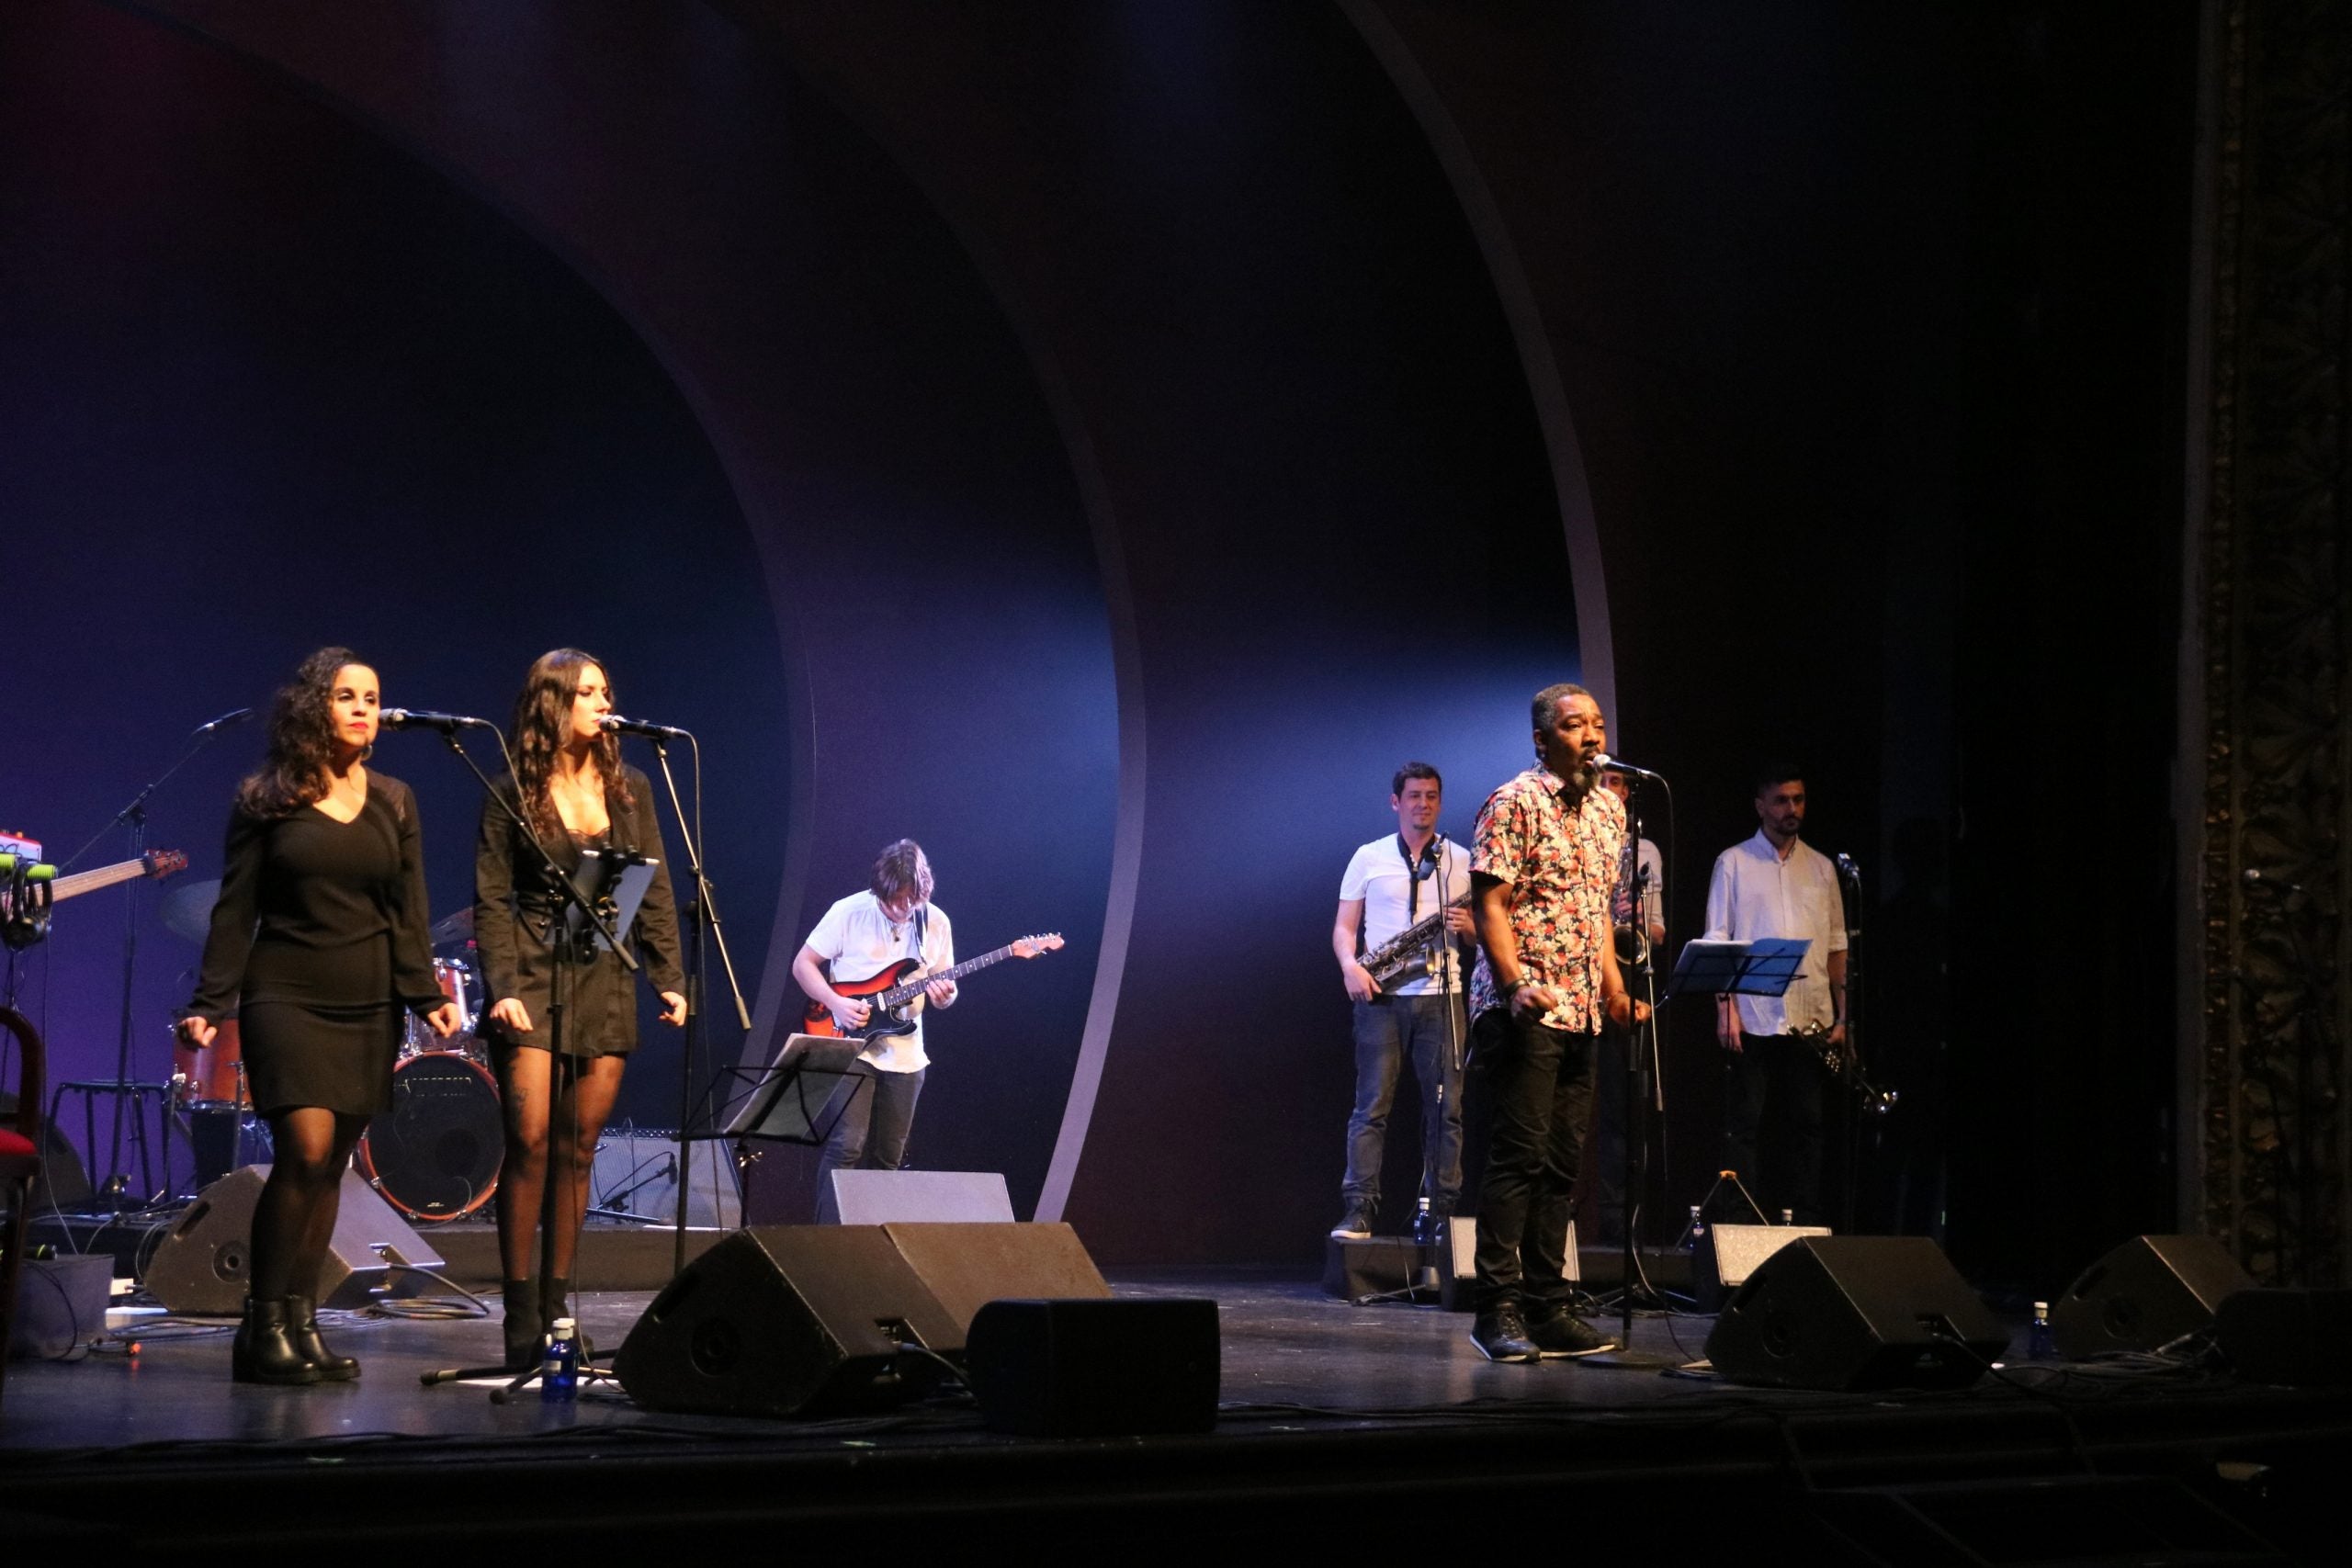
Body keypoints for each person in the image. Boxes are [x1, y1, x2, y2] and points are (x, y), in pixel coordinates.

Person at [181, 648, 461, 1384]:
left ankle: (301, 1323)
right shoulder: (266, 798)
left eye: (373, 696)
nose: (365, 707)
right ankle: (261, 1323)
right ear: (315, 708)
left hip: (367, 998)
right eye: (347, 695)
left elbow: (408, 911)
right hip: (287, 993)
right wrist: (212, 1002)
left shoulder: (396, 799)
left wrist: (425, 994)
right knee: (303, 1150)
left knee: (333, 1164)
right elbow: (235, 910)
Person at [474, 649, 686, 1370]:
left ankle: (559, 1306)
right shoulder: (510, 789)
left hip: (603, 974)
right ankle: (518, 1307)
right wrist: (501, 983)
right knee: (529, 1138)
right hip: (532, 975)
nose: (602, 701)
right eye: (586, 692)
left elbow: (651, 890)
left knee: (577, 1147)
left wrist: (670, 976)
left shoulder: (631, 790)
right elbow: (492, 898)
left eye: (605, 690)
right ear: (553, 704)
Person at [1463, 682, 1649, 1363]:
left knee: (1562, 1164)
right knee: (1518, 1156)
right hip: (1526, 1003)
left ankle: (1548, 1304)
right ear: (1544, 740)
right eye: (1576, 726)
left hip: (1582, 1010)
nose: (1593, 736)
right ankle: (1497, 1309)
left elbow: (1596, 915)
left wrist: (1618, 991)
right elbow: (1491, 904)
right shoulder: (1514, 801)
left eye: (1598, 723)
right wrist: (1514, 986)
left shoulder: (1608, 811)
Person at [1329, 762, 1473, 1240]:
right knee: (1371, 1107)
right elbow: (1344, 928)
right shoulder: (1368, 857)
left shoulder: (1460, 860)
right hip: (1380, 997)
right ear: (1396, 802)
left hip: (1443, 997)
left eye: (1431, 795)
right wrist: (1351, 968)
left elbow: (1484, 933)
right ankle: (1360, 1209)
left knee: (1446, 1110)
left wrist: (1466, 927)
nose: (1423, 804)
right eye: (1414, 795)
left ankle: (1443, 1215)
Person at [1703, 765, 1847, 1226]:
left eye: (1799, 799)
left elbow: (1837, 946)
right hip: (1755, 1013)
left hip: (1810, 1017)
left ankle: (1804, 1217)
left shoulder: (1823, 868)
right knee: (1745, 1124)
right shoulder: (1734, 862)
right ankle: (1741, 1223)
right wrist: (1726, 1009)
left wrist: (1844, 1017)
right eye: (1782, 800)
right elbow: (1718, 939)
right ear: (1761, 805)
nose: (1792, 809)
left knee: (1808, 1124)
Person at [793, 840, 957, 1223]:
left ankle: (871, 1242)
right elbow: (803, 964)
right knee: (847, 1144)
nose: (902, 909)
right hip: (850, 1044)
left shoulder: (935, 921)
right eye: (894, 901)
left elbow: (943, 990)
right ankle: (827, 1238)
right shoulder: (848, 911)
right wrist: (836, 1003)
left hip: (906, 1053)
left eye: (910, 900)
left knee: (889, 1154)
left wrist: (945, 995)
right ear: (878, 891)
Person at [1587, 762, 1667, 1246]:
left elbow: (1656, 930)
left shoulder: (1646, 851)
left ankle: (1621, 1227)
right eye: (1606, 782)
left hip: (1626, 984)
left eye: (1619, 784)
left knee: (1622, 1111)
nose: (1613, 790)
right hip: (1581, 987)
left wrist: (1639, 928)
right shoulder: (1581, 837)